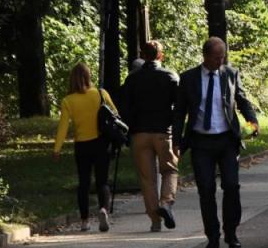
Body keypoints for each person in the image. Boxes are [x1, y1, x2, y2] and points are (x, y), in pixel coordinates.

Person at [172, 37, 259, 248]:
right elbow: (179, 112)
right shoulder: (189, 78)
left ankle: (231, 231)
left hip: (226, 140)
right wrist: (176, 141)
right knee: (206, 190)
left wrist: (252, 120)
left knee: (231, 186)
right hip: (201, 141)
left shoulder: (230, 74)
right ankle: (212, 235)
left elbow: (241, 100)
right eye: (217, 57)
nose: (221, 60)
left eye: (223, 57)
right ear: (206, 56)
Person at [121, 41, 180, 233]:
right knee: (169, 170)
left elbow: (124, 107)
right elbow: (179, 106)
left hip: (139, 133)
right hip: (163, 131)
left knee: (147, 178)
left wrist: (130, 127)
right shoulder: (170, 76)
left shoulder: (132, 79)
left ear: (142, 55)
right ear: (160, 56)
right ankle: (166, 202)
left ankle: (155, 220)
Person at [53, 63, 117, 233]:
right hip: (102, 143)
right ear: (89, 76)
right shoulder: (101, 94)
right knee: (102, 181)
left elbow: (63, 127)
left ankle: (84, 221)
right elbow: (115, 115)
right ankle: (103, 209)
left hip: (82, 145)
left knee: (84, 183)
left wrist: (57, 149)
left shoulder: (68, 101)